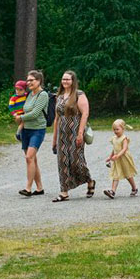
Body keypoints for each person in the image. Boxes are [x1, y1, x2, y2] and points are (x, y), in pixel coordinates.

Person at [51, 69, 94, 201]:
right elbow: (57, 118)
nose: (65, 81)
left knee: (76, 161)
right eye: (63, 79)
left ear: (73, 81)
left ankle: (90, 181)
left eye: (67, 79)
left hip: (75, 132)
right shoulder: (59, 96)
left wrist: (80, 133)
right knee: (62, 162)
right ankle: (64, 192)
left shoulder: (79, 95)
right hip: (62, 135)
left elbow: (85, 114)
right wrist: (54, 138)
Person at [13, 70, 49, 197]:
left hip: (37, 130)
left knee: (29, 157)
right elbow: (23, 109)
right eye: (27, 80)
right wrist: (17, 115)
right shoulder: (29, 95)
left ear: (39, 81)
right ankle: (39, 188)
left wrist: (21, 118)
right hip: (26, 130)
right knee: (32, 159)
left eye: (31, 80)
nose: (28, 83)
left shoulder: (42, 95)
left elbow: (35, 113)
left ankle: (28, 188)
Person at [102, 118, 137, 199]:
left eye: (117, 129)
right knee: (116, 175)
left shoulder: (124, 138)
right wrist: (110, 157)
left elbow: (124, 149)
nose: (115, 131)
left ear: (123, 129)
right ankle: (112, 191)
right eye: (114, 129)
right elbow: (114, 149)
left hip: (124, 158)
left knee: (128, 174)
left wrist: (118, 155)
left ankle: (134, 188)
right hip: (116, 159)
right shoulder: (114, 138)